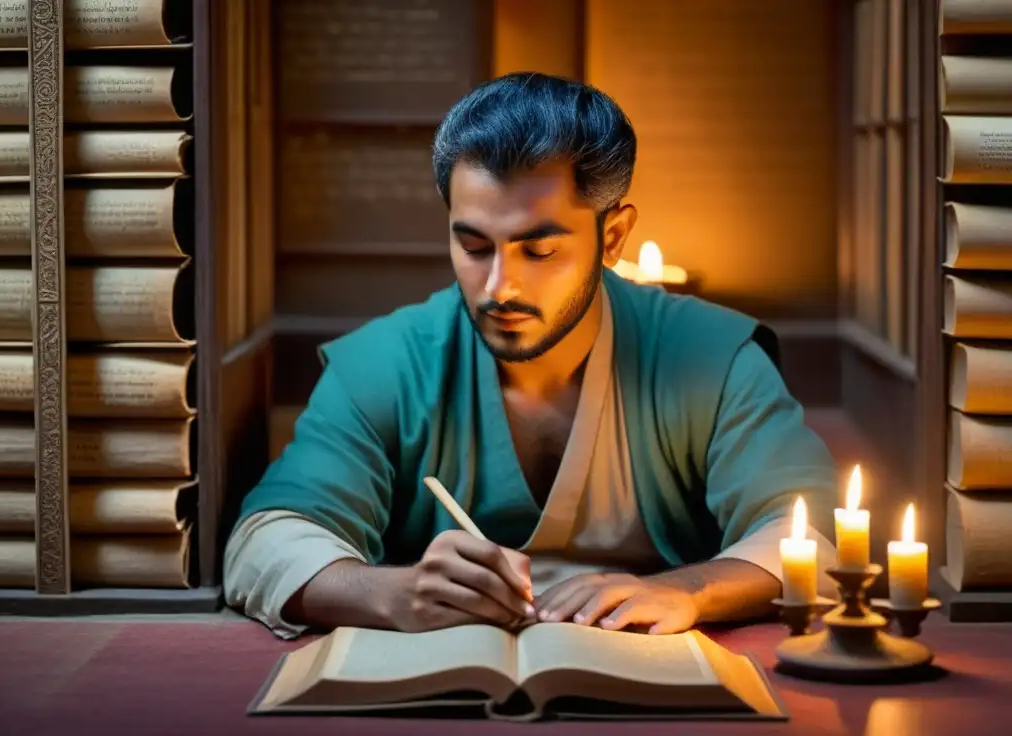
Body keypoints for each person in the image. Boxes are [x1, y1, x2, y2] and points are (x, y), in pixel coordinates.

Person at [223, 72, 839, 640]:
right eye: (474, 247)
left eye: (538, 251)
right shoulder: (385, 365)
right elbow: (265, 540)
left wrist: (687, 591)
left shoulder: (712, 357)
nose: (499, 288)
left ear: (613, 236)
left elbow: (811, 535)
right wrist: (392, 593)